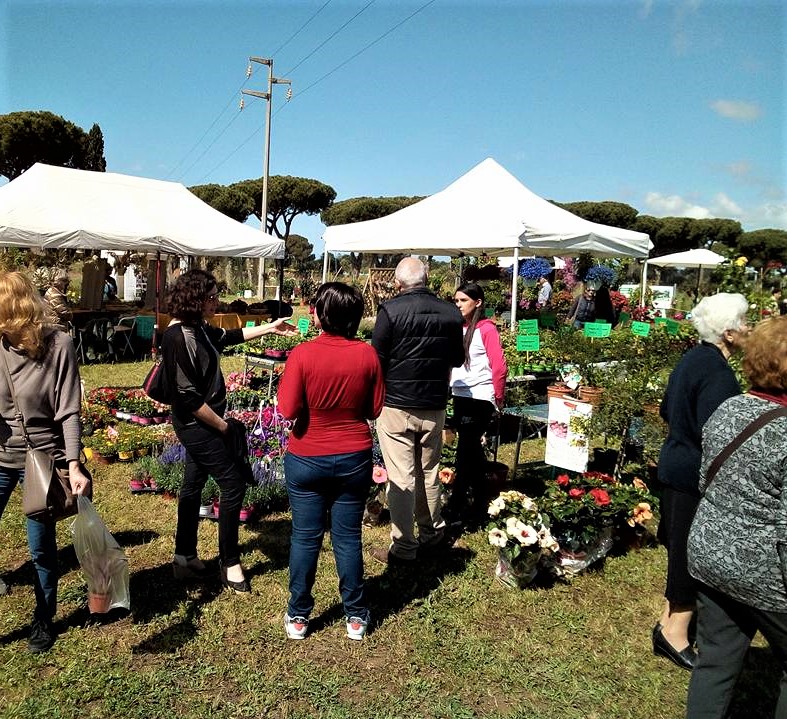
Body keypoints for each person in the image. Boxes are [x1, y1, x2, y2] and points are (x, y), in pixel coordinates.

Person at [160, 269, 296, 592]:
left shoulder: (200, 327)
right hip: (197, 424)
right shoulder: (177, 336)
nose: (216, 301)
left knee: (192, 484)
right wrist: (224, 427)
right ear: (195, 299)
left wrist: (270, 327)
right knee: (233, 483)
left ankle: (184, 557)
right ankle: (229, 562)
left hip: (206, 420)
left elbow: (228, 338)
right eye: (211, 297)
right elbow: (188, 398)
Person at [686, 316, 787, 718]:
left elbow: (705, 476)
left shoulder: (730, 408)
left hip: (710, 554)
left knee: (715, 660)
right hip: (765, 573)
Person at [277, 282, 385, 641]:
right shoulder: (368, 355)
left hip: (307, 454)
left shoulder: (303, 355)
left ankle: (298, 615)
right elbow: (373, 409)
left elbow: (288, 409)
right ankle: (355, 616)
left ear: (321, 314)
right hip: (353, 455)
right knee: (347, 538)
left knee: (305, 538)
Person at [653, 292, 749, 670]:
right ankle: (676, 632)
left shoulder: (693, 357)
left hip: (674, 460)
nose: (748, 328)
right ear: (728, 332)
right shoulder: (718, 374)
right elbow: (719, 431)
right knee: (688, 555)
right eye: (743, 323)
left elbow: (665, 407)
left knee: (679, 547)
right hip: (693, 471)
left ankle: (667, 620)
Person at [0, 271, 91, 652]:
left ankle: (44, 616)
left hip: (42, 461)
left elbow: (69, 410)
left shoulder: (59, 345)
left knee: (41, 546)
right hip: (1, 457)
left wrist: (73, 464)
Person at [370, 258, 465, 565]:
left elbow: (376, 361)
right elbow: (457, 358)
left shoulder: (390, 311)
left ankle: (404, 546)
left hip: (396, 403)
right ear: (428, 278)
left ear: (398, 283)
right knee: (429, 471)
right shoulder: (451, 313)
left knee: (401, 476)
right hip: (434, 403)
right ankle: (432, 533)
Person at [445, 283, 507, 529]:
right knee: (470, 451)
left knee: (466, 451)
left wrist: (498, 397)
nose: (458, 305)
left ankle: (464, 503)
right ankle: (479, 501)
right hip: (461, 395)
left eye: (463, 300)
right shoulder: (459, 329)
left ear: (478, 302)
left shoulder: (486, 329)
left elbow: (499, 365)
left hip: (480, 397)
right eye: (456, 301)